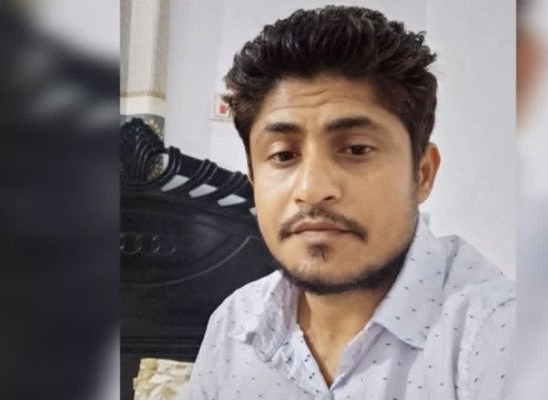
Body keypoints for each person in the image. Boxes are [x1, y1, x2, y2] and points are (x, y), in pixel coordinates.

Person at [189, 6, 514, 400]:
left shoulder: (497, 332)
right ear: (254, 183)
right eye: (283, 155)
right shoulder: (233, 326)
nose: (311, 189)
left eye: (357, 149)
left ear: (422, 174)